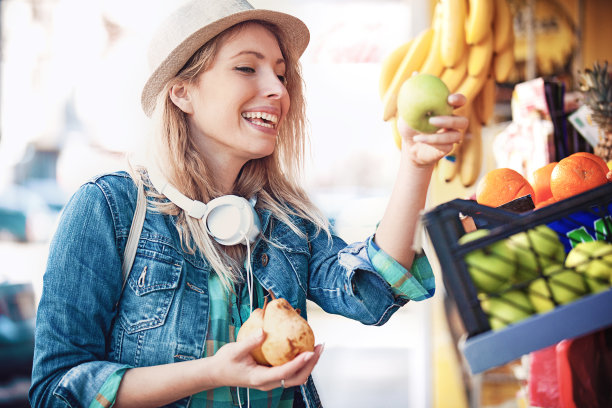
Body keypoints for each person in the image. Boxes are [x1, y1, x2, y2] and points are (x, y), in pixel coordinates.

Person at [29, 0, 468, 407]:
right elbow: (56, 390)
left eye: (280, 73)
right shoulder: (107, 210)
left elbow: (372, 292)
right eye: (246, 68)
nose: (277, 89)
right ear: (182, 92)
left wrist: (415, 163)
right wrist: (213, 373)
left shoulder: (285, 220)